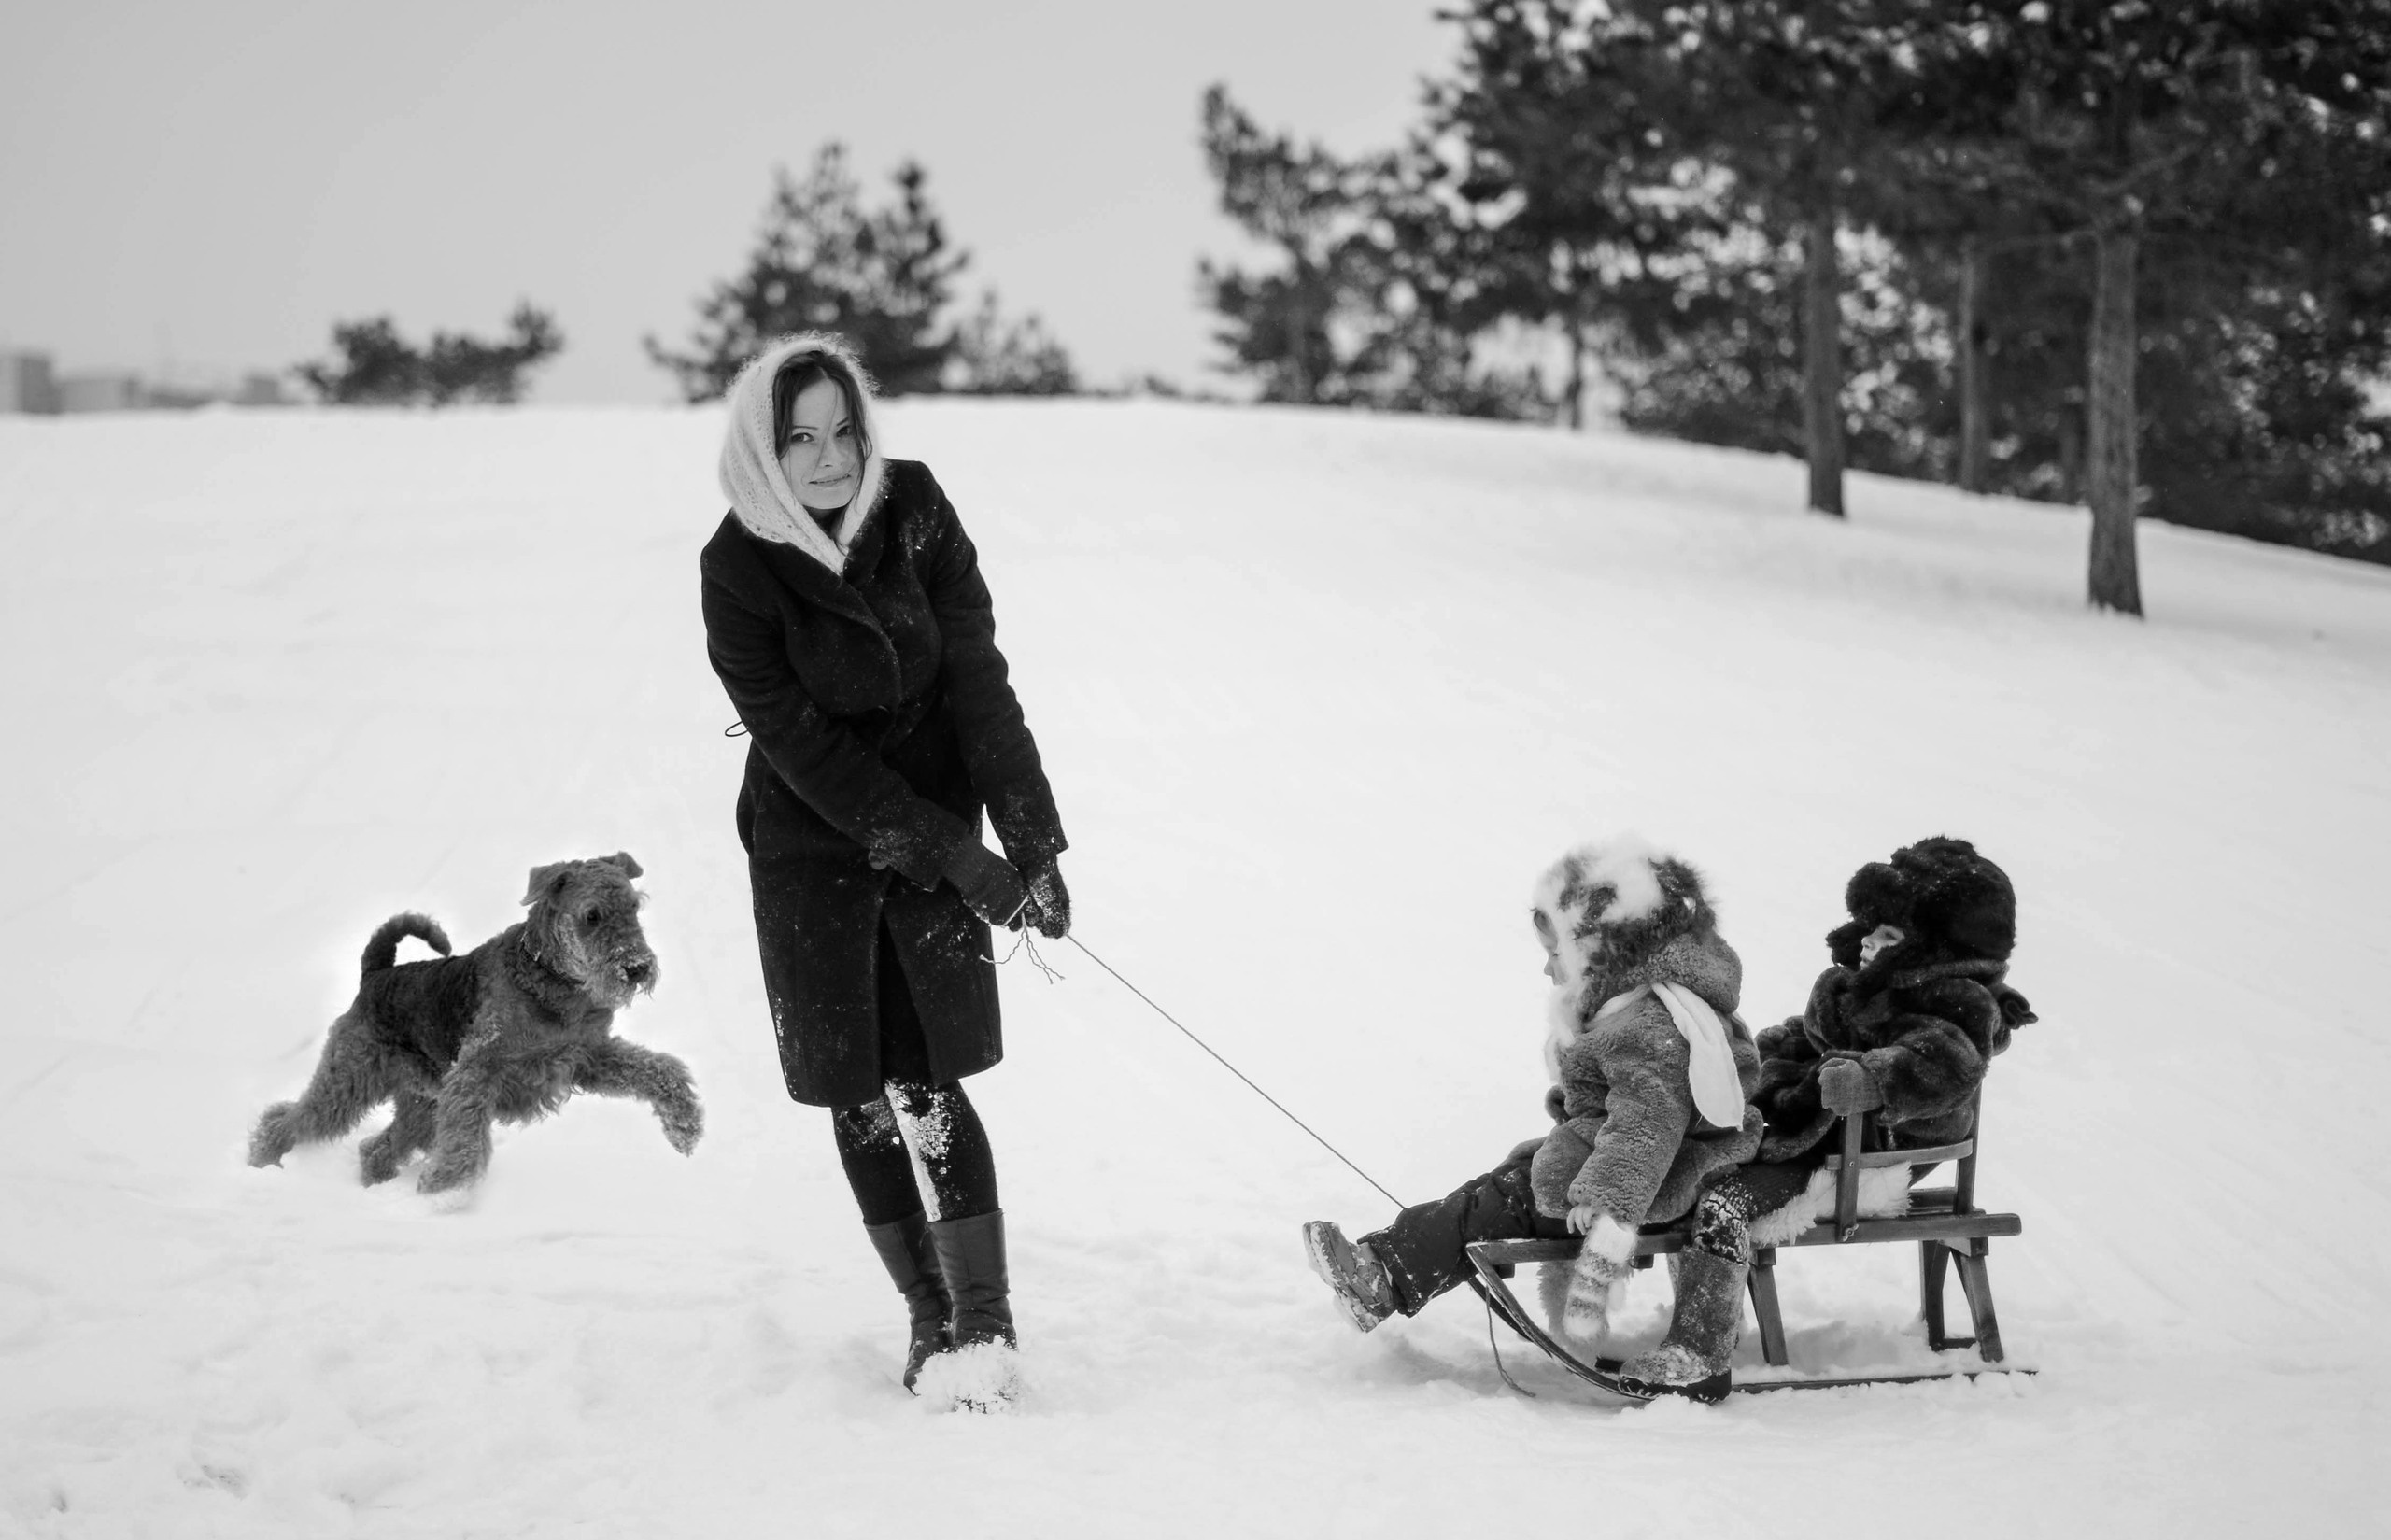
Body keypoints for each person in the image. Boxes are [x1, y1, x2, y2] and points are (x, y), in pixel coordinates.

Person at [699, 332, 1069, 1404]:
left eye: (841, 430)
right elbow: (802, 749)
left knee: (928, 1074)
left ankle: (984, 1319)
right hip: (812, 849)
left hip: (936, 826)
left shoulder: (913, 507)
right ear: (766, 451)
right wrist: (956, 855)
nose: (827, 457)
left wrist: (1031, 836)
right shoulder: (736, 567)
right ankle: (927, 1311)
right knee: (856, 1089)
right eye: (800, 437)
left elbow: (978, 679)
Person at [1304, 838, 1763, 1357]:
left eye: (1556, 954)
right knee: (1496, 1189)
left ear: (1604, 951)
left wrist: (1603, 1200)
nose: (1549, 970)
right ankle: (1385, 1265)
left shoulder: (1655, 1024)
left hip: (1651, 1183)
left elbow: (1647, 1123)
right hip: (1621, 1167)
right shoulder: (1635, 1009)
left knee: (1506, 1199)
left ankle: (1382, 1276)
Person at [1619, 836, 2036, 1394]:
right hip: (1821, 1137)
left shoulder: (1955, 1004)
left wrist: (1871, 1078)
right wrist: (1754, 1051)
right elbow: (1810, 1036)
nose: (1867, 943)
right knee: (1692, 1169)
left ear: (1930, 949)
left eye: (1887, 935)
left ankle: (1700, 1357)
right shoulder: (1859, 989)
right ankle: (1703, 1315)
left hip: (1869, 1157)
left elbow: (1943, 1061)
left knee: (1725, 1202)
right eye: (1869, 928)